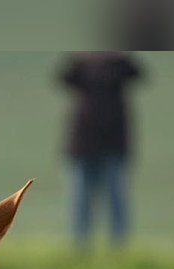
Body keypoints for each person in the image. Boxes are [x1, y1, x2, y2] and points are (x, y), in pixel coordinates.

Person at [57, 52, 144, 245]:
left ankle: (118, 245)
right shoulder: (80, 62)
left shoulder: (119, 63)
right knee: (80, 198)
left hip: (113, 142)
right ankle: (80, 245)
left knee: (115, 198)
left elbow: (137, 73)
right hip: (82, 142)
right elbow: (64, 77)